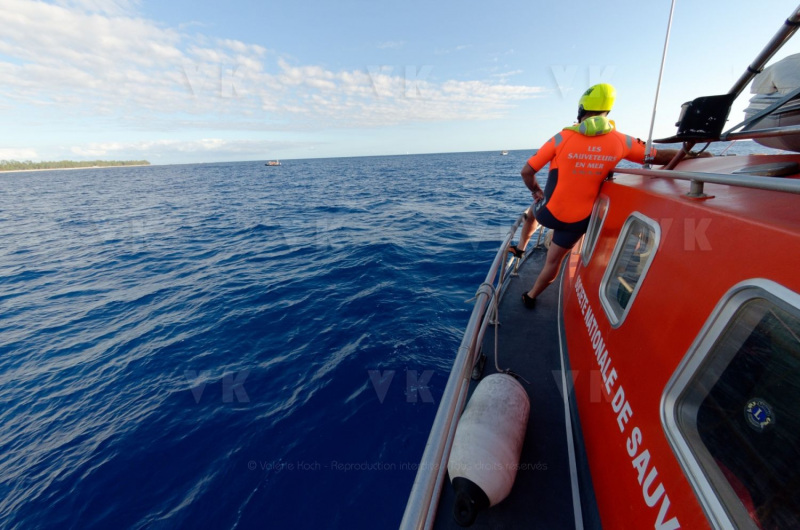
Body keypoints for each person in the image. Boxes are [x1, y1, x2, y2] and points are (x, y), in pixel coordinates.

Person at [510, 83, 687, 308]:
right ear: (608, 112)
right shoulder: (622, 141)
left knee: (532, 212)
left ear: (581, 109)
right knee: (553, 263)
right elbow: (658, 156)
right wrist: (688, 153)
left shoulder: (561, 137)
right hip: (579, 221)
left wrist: (536, 191)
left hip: (549, 212)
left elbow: (527, 171)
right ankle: (531, 296)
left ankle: (521, 248)